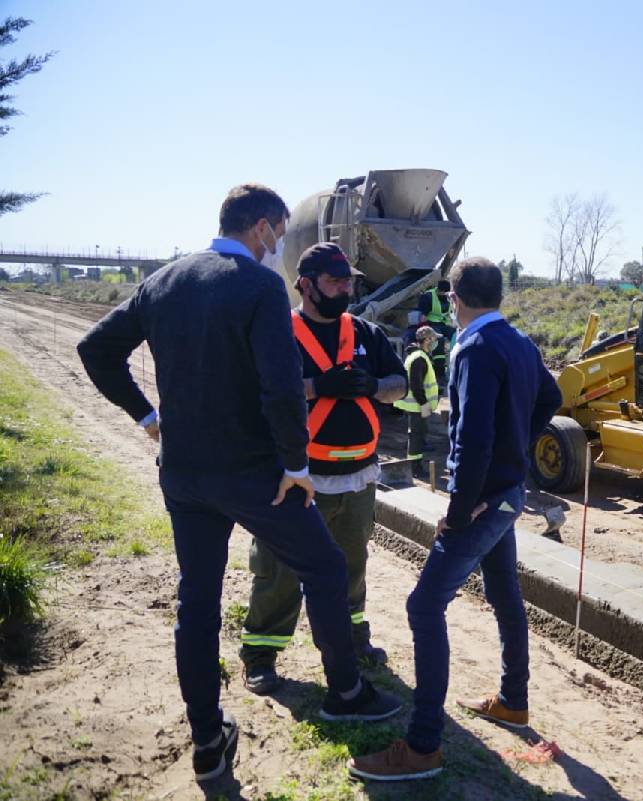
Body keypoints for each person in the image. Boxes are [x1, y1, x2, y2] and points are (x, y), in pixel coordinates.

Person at [76, 185, 401, 784]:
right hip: (256, 476)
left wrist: (148, 417)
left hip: (184, 474)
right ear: (260, 228)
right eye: (278, 230)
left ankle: (207, 738)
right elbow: (279, 387)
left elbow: (96, 349)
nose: (279, 241)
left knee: (196, 603)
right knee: (326, 569)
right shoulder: (257, 286)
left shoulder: (164, 281)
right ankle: (346, 693)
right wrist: (297, 466)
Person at [348, 257, 562, 782]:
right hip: (508, 490)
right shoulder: (518, 342)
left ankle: (423, 747)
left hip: (486, 498)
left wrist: (459, 509)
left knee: (423, 606)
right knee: (505, 595)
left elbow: (471, 440)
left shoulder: (472, 346)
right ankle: (513, 701)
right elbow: (552, 400)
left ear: (454, 297)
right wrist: (518, 450)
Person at [239, 242, 409, 695]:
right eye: (335, 281)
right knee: (279, 570)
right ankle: (260, 653)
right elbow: (259, 394)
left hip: (358, 478)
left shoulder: (367, 334)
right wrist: (316, 386)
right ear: (306, 284)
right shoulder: (279, 333)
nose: (345, 289)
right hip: (297, 479)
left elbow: (399, 385)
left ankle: (352, 640)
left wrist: (373, 385)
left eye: (348, 281)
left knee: (352, 565)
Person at [393, 325, 440, 480]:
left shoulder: (418, 355)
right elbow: (416, 384)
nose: (435, 342)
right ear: (426, 340)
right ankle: (415, 468)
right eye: (433, 339)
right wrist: (424, 404)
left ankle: (416, 465)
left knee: (418, 435)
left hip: (417, 405)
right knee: (416, 436)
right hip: (418, 405)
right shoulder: (419, 357)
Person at [417, 279, 455, 383]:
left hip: (444, 324)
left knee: (457, 335)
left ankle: (454, 367)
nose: (444, 294)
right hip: (431, 324)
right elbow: (422, 317)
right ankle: (439, 373)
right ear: (438, 290)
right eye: (443, 292)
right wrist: (423, 330)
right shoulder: (428, 297)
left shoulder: (449, 297)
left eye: (446, 292)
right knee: (439, 339)